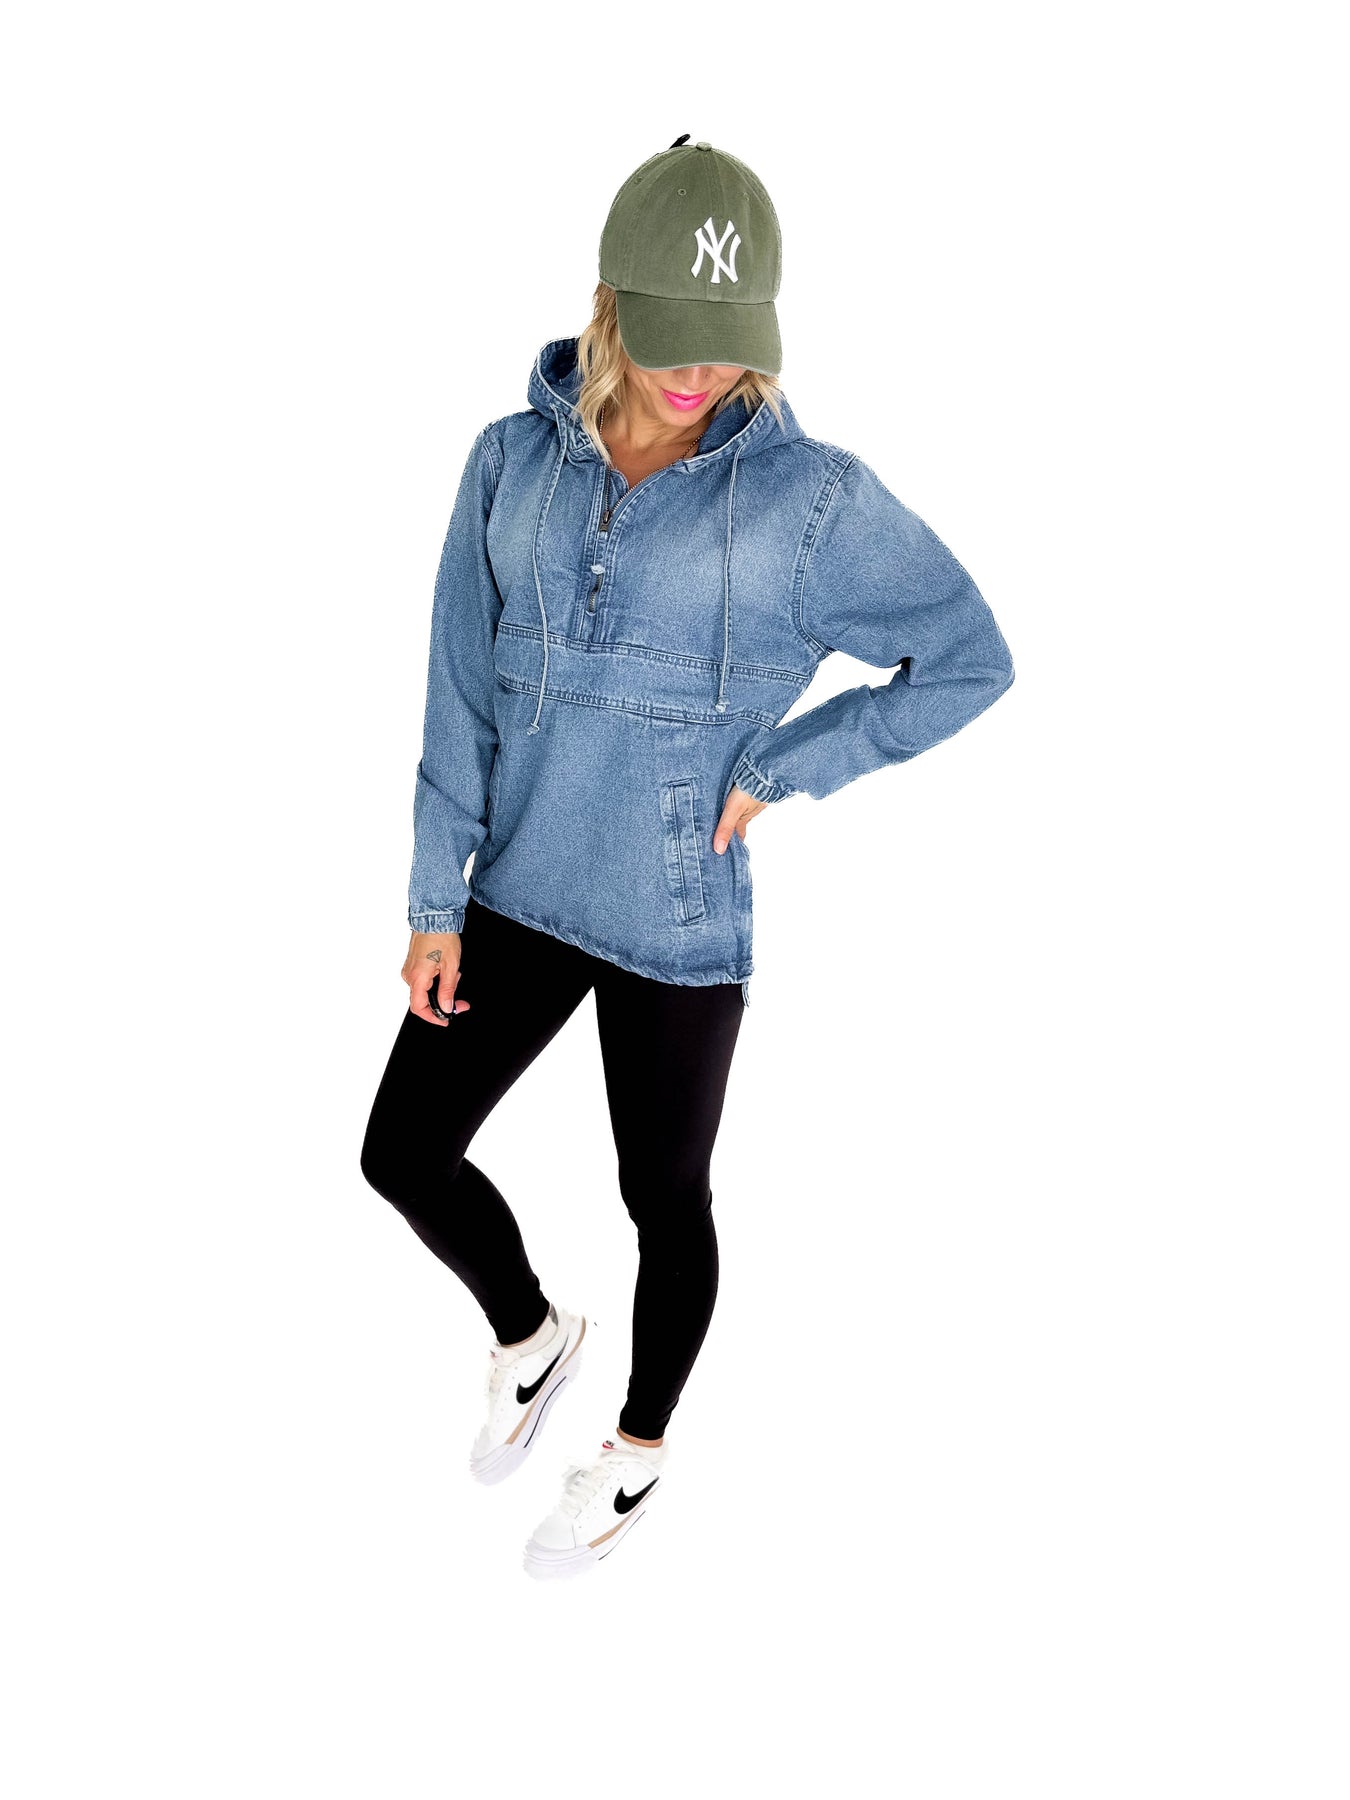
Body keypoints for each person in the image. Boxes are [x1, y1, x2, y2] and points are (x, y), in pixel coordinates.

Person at [360, 136, 1015, 1579]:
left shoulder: (813, 502)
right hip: (516, 887)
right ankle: (532, 1335)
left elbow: (969, 659)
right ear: (607, 300)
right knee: (400, 1152)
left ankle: (636, 1452)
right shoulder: (509, 461)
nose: (699, 372)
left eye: (729, 342)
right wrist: (432, 896)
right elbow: (456, 694)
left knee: (665, 1201)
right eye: (671, 335)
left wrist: (787, 766)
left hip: (673, 906)